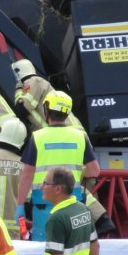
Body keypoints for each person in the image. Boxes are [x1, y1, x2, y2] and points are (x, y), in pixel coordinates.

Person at [16, 91, 101, 241]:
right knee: (72, 243)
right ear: (67, 113)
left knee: (45, 248)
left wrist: (20, 205)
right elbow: (94, 171)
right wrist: (78, 173)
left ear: (46, 110)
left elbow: (27, 174)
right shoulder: (80, 136)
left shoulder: (38, 137)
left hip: (44, 203)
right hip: (72, 202)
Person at [11, 59, 83, 132]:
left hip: (66, 131)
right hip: (69, 130)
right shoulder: (39, 82)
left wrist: (18, 89)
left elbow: (22, 108)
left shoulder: (33, 81)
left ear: (18, 72)